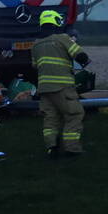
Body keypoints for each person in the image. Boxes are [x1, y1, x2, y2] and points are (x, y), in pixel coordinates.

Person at [31, 10, 90, 158]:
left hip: (44, 89)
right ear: (56, 21)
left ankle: (52, 147)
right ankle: (72, 149)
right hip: (62, 86)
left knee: (50, 118)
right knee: (74, 114)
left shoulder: (36, 44)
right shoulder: (62, 38)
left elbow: (34, 66)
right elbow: (81, 56)